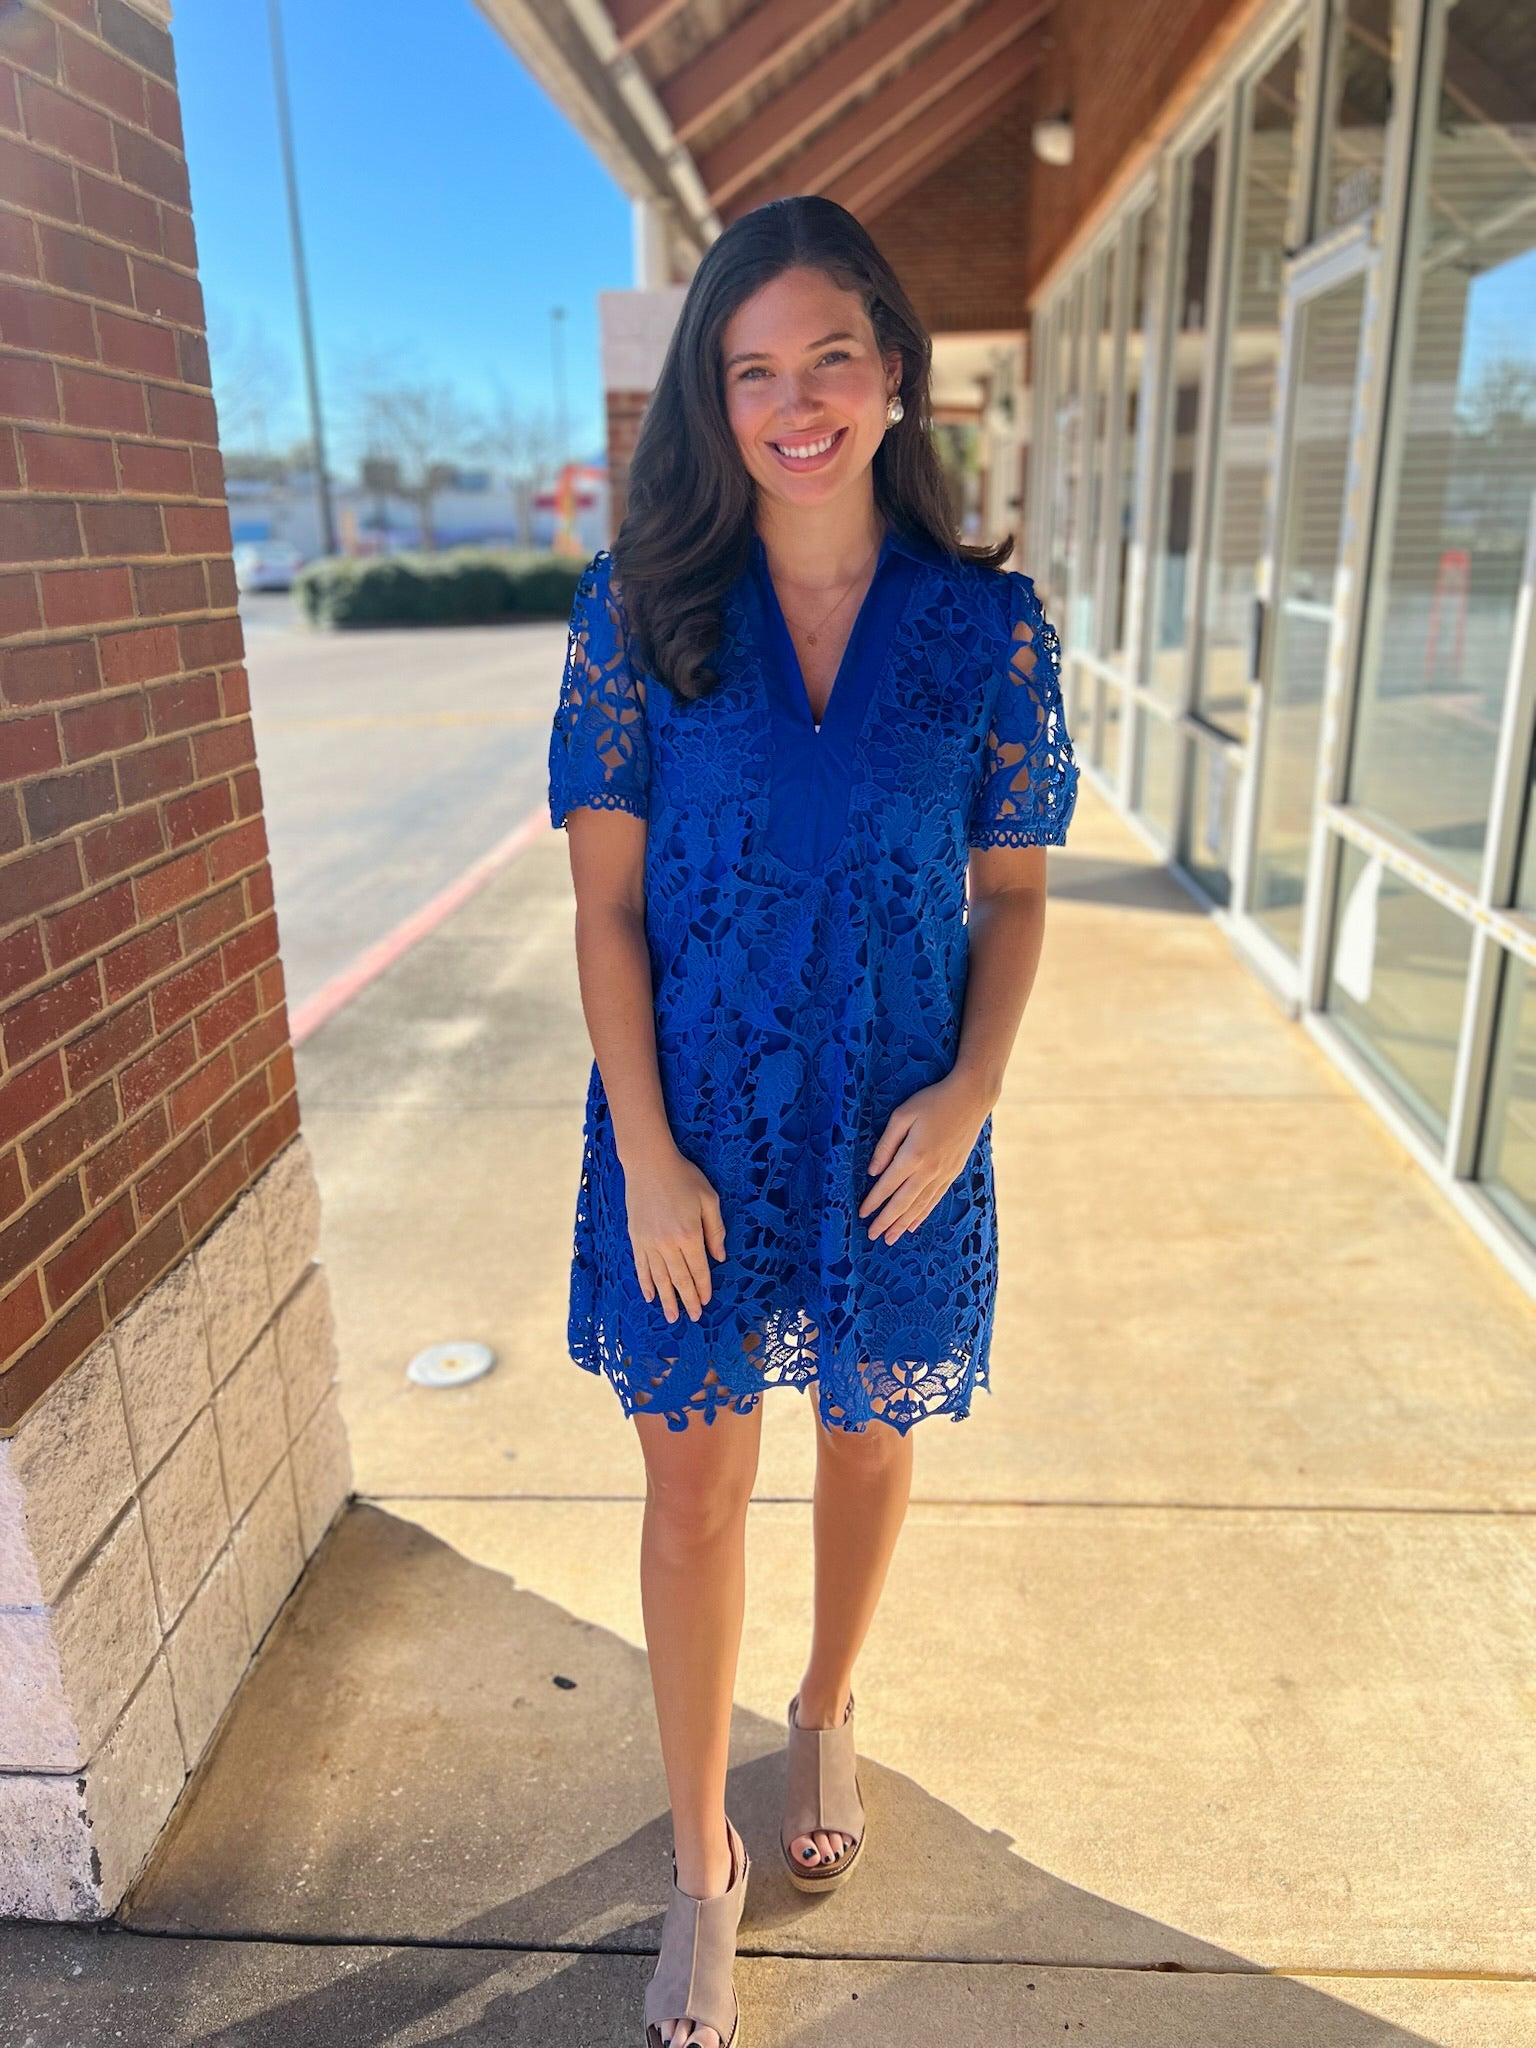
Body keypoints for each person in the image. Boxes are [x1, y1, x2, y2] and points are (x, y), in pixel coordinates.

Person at [546, 194, 1079, 2048]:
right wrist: (647, 1151)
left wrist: (974, 1088)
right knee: (694, 1490)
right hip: (690, 1139)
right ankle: (702, 1868)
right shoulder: (640, 614)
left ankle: (827, 1706)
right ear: (714, 397)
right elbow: (605, 916)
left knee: (866, 1440)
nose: (795, 404)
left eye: (828, 359)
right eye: (752, 369)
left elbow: (1015, 896)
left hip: (899, 1136)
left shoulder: (986, 629)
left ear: (893, 374)